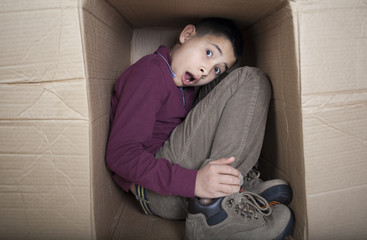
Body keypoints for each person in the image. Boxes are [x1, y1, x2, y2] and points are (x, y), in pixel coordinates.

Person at [106, 17, 294, 239]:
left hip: (175, 181)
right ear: (186, 35)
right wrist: (194, 182)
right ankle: (212, 211)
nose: (207, 70)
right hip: (154, 191)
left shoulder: (186, 85)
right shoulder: (151, 73)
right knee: (250, 79)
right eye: (208, 53)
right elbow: (120, 155)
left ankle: (234, 185)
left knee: (227, 81)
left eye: (217, 68)